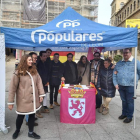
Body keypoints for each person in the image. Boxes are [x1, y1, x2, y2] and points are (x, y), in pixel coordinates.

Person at [8, 54, 45, 139]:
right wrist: (10, 102)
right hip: (23, 100)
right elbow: (12, 87)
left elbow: (39, 82)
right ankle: (17, 130)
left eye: (31, 60)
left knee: (32, 115)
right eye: (29, 60)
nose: (31, 61)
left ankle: (31, 132)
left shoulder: (34, 70)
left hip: (33, 99)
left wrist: (41, 94)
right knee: (20, 116)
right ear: (24, 61)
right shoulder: (18, 72)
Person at [113, 48, 140, 123]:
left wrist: (135, 80)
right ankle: (124, 113)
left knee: (130, 101)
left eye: (126, 52)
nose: (125, 54)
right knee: (124, 101)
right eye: (124, 53)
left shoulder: (136, 62)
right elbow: (114, 73)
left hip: (131, 86)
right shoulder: (119, 63)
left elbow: (139, 72)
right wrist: (115, 84)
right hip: (121, 85)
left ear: (130, 53)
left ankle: (129, 116)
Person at [25, 52, 38, 126]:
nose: (36, 59)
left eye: (36, 58)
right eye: (34, 58)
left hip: (34, 88)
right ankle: (28, 121)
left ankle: (31, 118)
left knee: (33, 105)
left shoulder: (33, 66)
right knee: (28, 106)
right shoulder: (27, 67)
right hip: (28, 90)